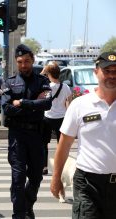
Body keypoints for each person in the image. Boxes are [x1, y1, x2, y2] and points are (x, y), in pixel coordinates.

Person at [50, 51, 116, 218]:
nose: (112, 76)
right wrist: (56, 178)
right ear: (96, 72)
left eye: (115, 71)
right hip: (88, 184)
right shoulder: (80, 105)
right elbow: (64, 145)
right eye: (107, 71)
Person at [1, 44, 52, 219]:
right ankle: (19, 213)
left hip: (37, 136)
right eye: (20, 62)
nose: (24, 65)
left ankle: (27, 203)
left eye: (27, 61)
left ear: (33, 60)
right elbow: (7, 109)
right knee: (18, 177)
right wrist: (32, 105)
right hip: (17, 136)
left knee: (37, 176)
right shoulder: (9, 81)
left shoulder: (42, 81)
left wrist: (22, 102)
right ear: (17, 62)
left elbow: (46, 104)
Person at [41, 62, 72, 175]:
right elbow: (68, 102)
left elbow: (38, 80)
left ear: (48, 73)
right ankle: (61, 167)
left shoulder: (46, 87)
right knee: (62, 144)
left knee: (44, 143)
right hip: (62, 118)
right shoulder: (66, 87)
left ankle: (44, 167)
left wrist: (43, 71)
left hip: (47, 117)